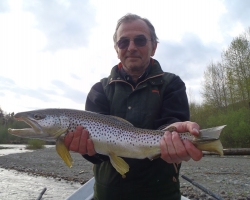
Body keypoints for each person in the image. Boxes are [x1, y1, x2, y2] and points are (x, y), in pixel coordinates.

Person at [64, 13, 203, 200]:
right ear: (116, 49)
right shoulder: (100, 90)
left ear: (153, 47)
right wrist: (86, 149)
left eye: (140, 40)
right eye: (123, 42)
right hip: (108, 194)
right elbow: (98, 156)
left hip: (161, 194)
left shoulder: (172, 84)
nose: (131, 47)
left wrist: (174, 137)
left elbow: (171, 123)